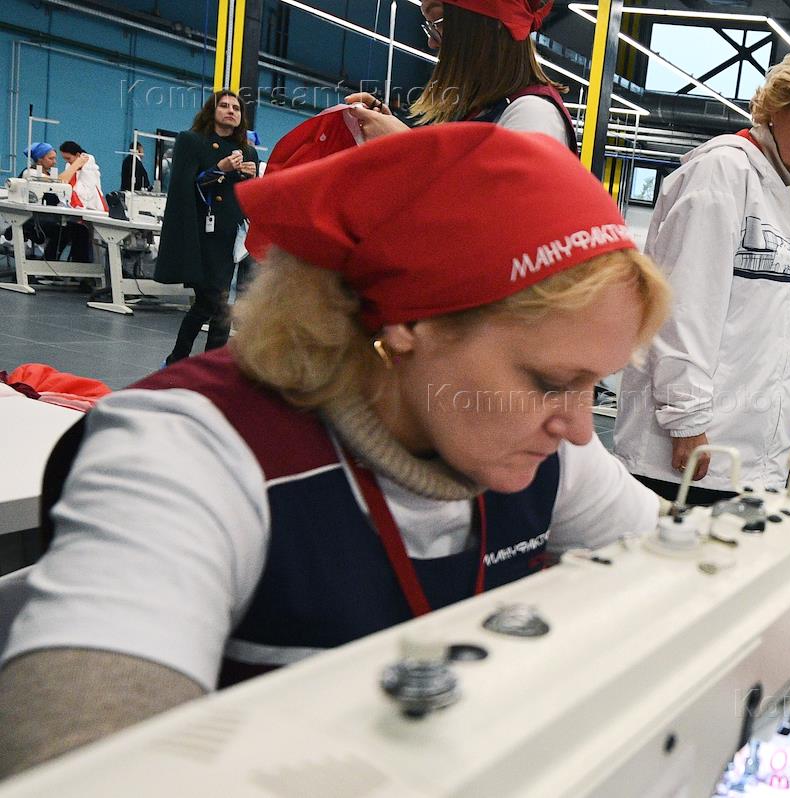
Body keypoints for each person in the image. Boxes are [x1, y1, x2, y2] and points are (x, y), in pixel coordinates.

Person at [0, 124, 670, 774]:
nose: (582, 428)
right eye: (553, 383)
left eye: (592, 386)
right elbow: (84, 753)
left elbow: (679, 568)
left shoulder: (547, 450)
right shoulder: (188, 453)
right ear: (412, 322)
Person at [613, 45, 790, 504]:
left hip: (749, 461)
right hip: (688, 458)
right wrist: (687, 422)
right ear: (776, 107)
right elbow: (682, 307)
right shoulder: (722, 174)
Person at [343, 0, 574, 148]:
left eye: (438, 22)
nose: (432, 41)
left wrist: (405, 149)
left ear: (484, 24)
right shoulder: (482, 113)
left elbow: (488, 216)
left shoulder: (533, 116)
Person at [155, 90, 260, 365]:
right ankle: (199, 364)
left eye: (236, 108)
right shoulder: (192, 141)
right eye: (224, 106)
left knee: (211, 304)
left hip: (229, 236)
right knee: (217, 302)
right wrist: (220, 169)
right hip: (199, 234)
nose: (231, 111)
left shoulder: (247, 151)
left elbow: (248, 197)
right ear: (211, 111)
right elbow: (186, 186)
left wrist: (250, 177)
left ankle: (180, 360)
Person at [58, 141, 107, 213]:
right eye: (64, 159)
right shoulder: (69, 165)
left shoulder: (89, 166)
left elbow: (86, 194)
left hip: (92, 207)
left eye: (68, 158)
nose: (67, 161)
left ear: (78, 155)